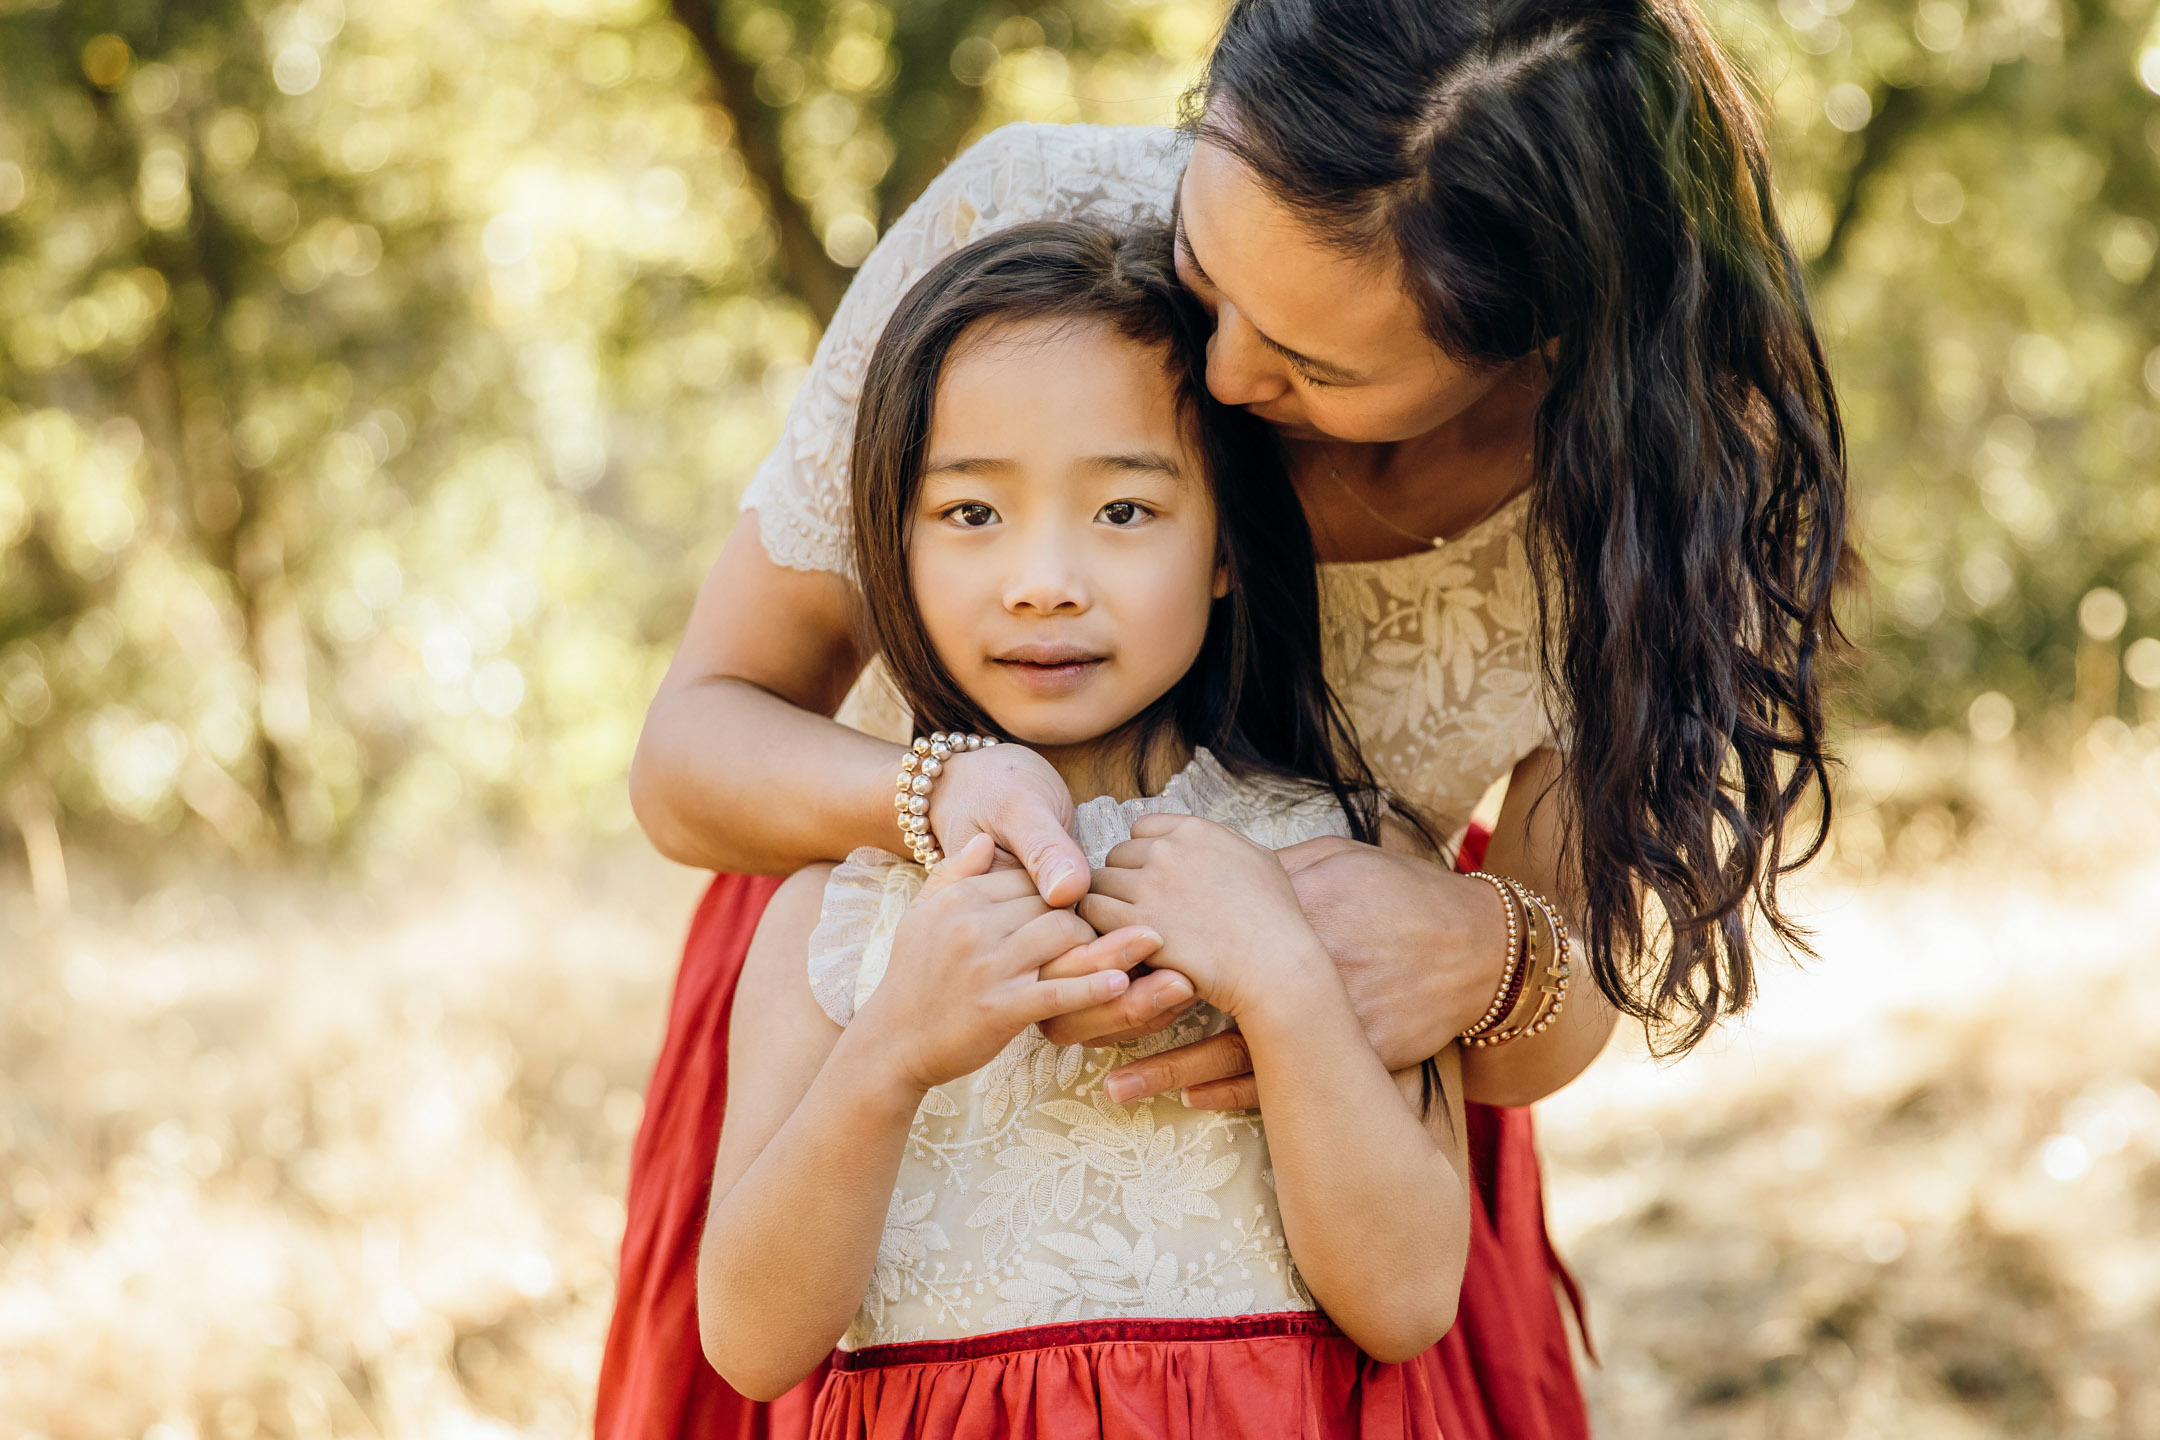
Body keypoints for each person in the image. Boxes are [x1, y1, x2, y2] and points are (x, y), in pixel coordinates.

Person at [599, 0, 1847, 1434]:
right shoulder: (1029, 231)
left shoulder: (1661, 473)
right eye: (1205, 270)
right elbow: (689, 756)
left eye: (1319, 369)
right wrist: (929, 811)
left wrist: (1485, 953)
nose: (1232, 378)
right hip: (880, 1017)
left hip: (1331, 1153)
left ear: (1543, 341)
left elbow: (1546, 1021)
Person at [702, 219, 1480, 1435]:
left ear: (1225, 544)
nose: (1044, 578)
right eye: (970, 514)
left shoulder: (1350, 868)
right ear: (889, 547)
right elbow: (749, 1344)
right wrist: (893, 1047)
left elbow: (1411, 1299)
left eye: (1123, 510)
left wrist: (1283, 982)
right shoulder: (838, 917)